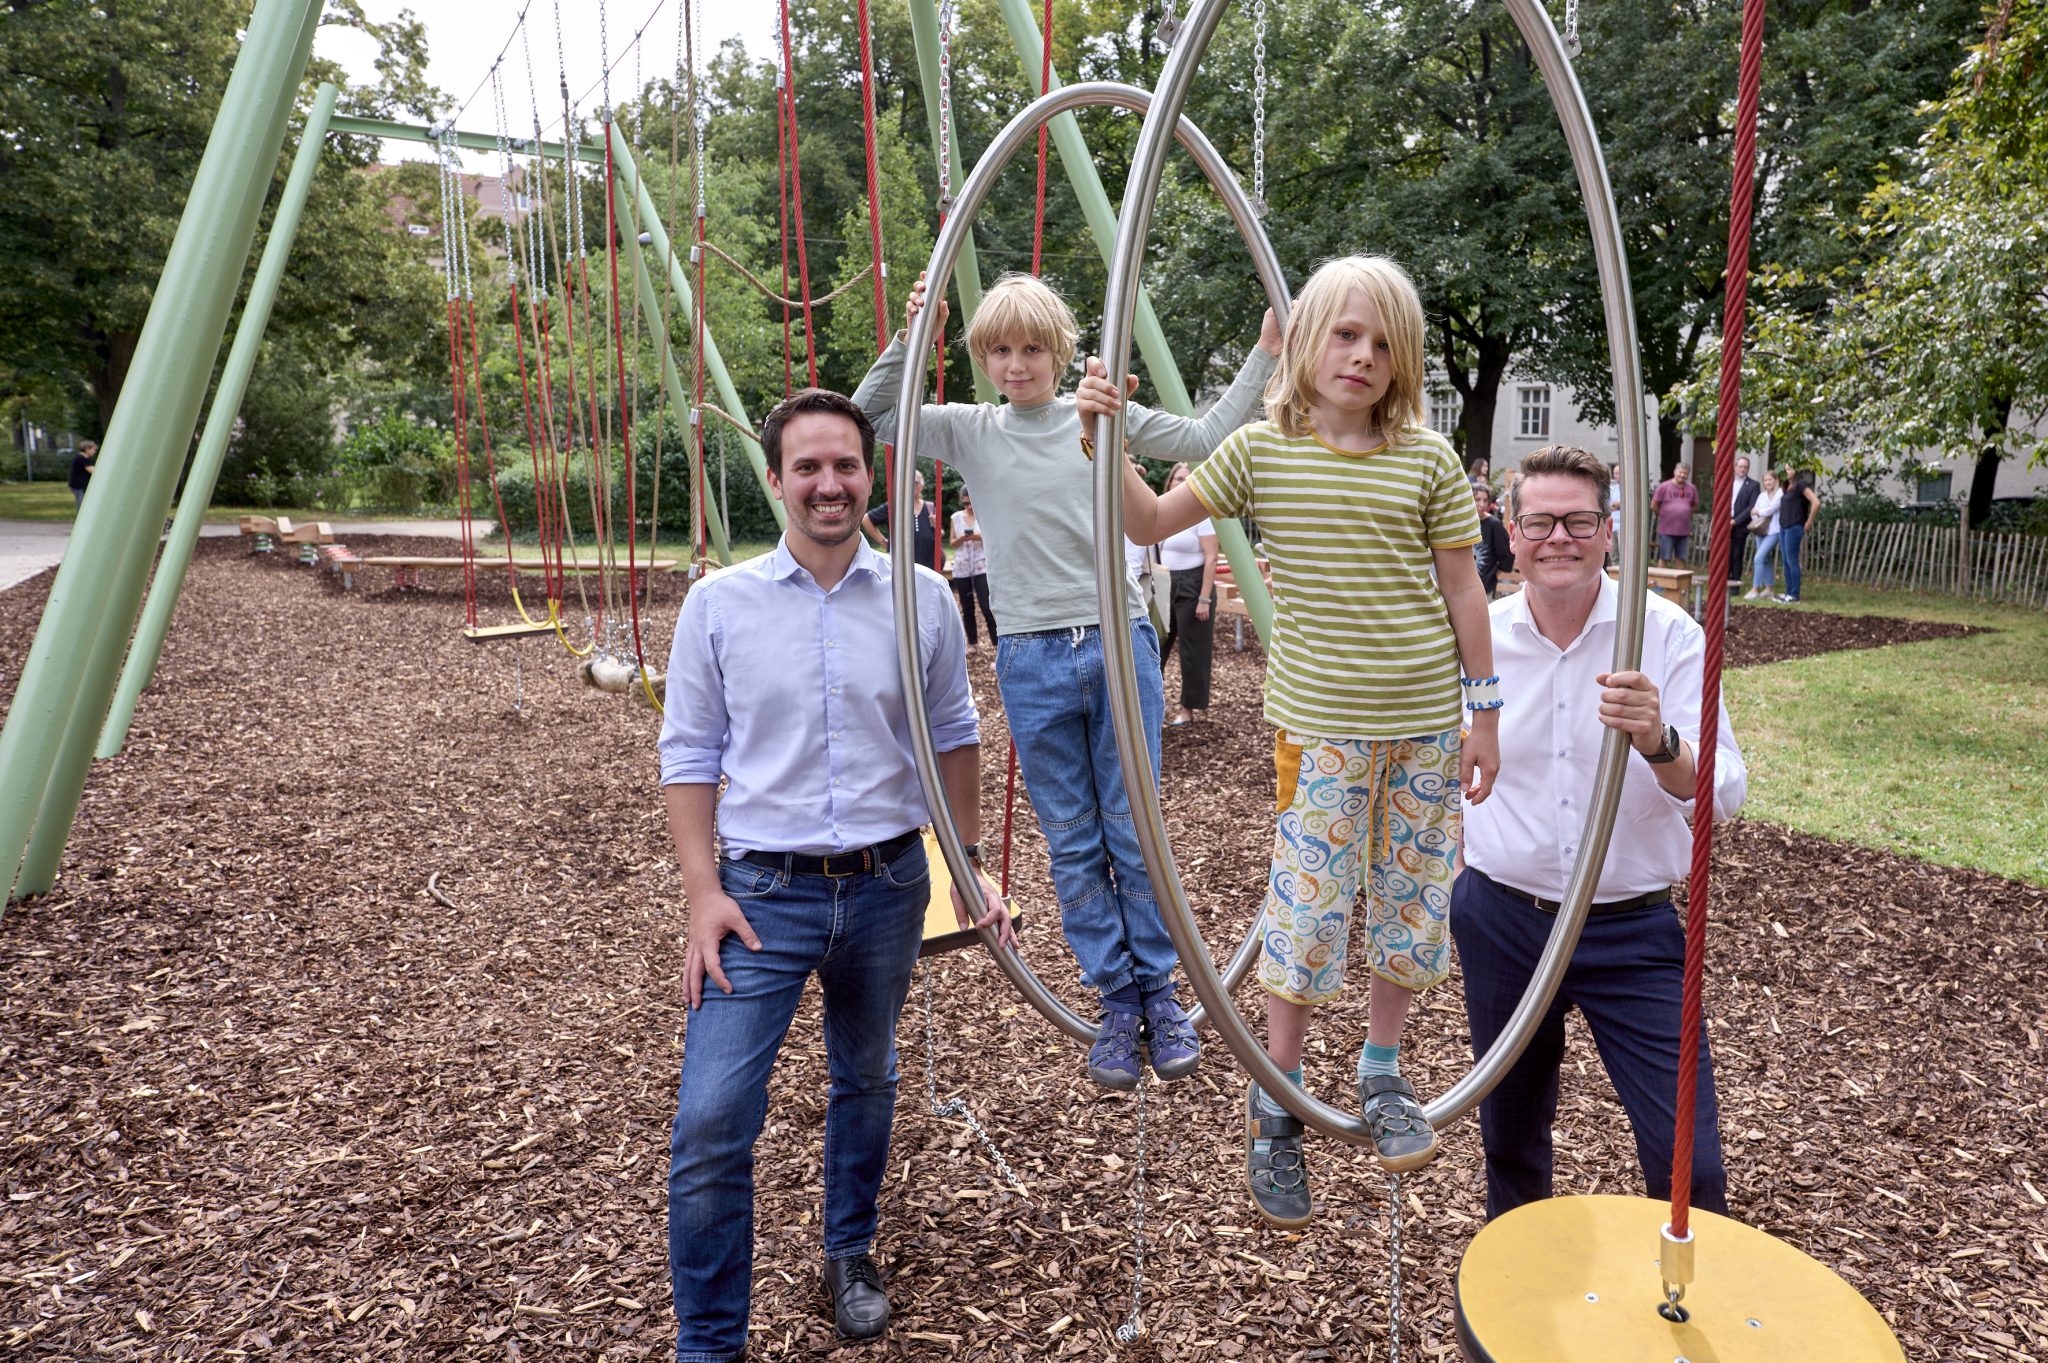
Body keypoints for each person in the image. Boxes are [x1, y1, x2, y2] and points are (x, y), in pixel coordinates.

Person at [1100, 253, 1500, 1215]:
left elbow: (1462, 589)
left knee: (1410, 901)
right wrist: (1101, 440)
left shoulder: (1429, 461)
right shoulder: (1260, 452)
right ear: (1307, 343)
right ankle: (1277, 1094)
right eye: (1343, 334)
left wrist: (1484, 708)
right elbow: (1151, 515)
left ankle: (1381, 1067)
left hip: (1423, 724)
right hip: (1321, 727)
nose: (1360, 356)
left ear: (1401, 360)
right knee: (1310, 905)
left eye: (1380, 342)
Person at [854, 271, 1281, 1091]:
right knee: (1075, 839)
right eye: (1001, 351)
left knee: (1134, 827)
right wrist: (915, 335)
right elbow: (873, 416)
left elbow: (1208, 437)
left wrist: (1264, 353)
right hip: (1031, 653)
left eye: (1032, 348)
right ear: (984, 359)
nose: (1018, 365)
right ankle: (1119, 996)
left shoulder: (1097, 409)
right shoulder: (973, 429)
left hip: (1116, 640)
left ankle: (1158, 983)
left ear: (1061, 350)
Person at [658, 389, 1014, 1359]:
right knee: (711, 1119)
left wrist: (966, 868)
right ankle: (709, 1341)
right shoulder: (718, 605)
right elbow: (687, 753)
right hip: (760, 894)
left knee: (866, 1073)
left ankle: (847, 1249)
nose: (828, 483)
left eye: (845, 465)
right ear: (774, 480)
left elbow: (953, 736)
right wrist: (701, 893)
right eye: (807, 467)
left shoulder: (923, 597)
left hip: (887, 884)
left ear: (872, 476)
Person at [1453, 442, 1744, 1222]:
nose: (1559, 538)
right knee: (1510, 1140)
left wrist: (1661, 740)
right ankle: (1522, 1316)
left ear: (1610, 529)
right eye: (1541, 521)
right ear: (1509, 532)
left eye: (1579, 521)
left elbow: (1724, 793)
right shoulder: (1478, 638)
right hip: (1505, 918)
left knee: (1689, 1158)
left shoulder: (1663, 634)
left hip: (1631, 928)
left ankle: (1687, 1308)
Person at [1156, 463, 1220, 727]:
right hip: (1164, 582)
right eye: (1178, 478)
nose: (1181, 482)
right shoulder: (1162, 512)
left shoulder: (1200, 516)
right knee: (1155, 646)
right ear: (1169, 482)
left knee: (1192, 651)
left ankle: (1188, 708)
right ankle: (1149, 703)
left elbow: (1211, 556)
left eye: (1188, 479)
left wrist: (1204, 597)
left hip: (1193, 585)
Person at [862, 468, 945, 573]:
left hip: (929, 564)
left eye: (915, 482)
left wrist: (937, 524)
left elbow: (940, 535)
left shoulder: (930, 507)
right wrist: (883, 542)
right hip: (902, 566)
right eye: (907, 480)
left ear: (921, 486)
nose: (910, 484)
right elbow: (866, 519)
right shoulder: (895, 505)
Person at [948, 486, 997, 649]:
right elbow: (952, 544)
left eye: (971, 503)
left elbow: (993, 539)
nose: (969, 507)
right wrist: (962, 538)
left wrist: (978, 537)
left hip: (981, 567)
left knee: (986, 606)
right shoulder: (955, 517)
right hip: (962, 568)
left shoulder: (984, 516)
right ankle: (973, 643)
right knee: (967, 608)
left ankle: (996, 643)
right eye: (966, 503)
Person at [1773, 467, 1820, 603]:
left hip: (1794, 526)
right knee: (1786, 561)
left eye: (1789, 469)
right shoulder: (1786, 486)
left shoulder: (1801, 485)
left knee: (1792, 561)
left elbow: (1816, 502)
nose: (1787, 471)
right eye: (1785, 469)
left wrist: (1809, 521)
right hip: (1784, 527)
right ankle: (1788, 592)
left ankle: (1794, 595)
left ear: (1795, 470)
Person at [1743, 470, 1783, 599]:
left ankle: (1755, 589)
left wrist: (1759, 511)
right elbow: (1752, 512)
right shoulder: (1762, 496)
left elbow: (1771, 509)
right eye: (1765, 480)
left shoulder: (1780, 494)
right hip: (1760, 531)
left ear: (1776, 480)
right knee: (1765, 559)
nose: (1768, 482)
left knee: (1758, 558)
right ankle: (1769, 588)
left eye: (1770, 480)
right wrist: (1758, 514)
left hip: (1774, 531)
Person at [1650, 462, 1698, 569]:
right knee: (1664, 557)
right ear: (1675, 472)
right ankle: (1660, 585)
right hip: (1666, 530)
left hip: (1684, 531)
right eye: (1680, 472)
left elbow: (1695, 506)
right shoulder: (1664, 487)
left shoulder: (1692, 488)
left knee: (1681, 558)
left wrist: (1685, 511)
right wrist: (1665, 513)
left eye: (1685, 473)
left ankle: (1678, 585)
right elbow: (1653, 505)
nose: (1682, 475)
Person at [1473, 480, 1515, 598]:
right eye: (1477, 499)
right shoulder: (1462, 523)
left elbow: (1507, 553)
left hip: (1485, 590)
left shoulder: (1493, 524)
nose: (1481, 504)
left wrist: (1492, 574)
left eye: (1485, 500)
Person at [1724, 455, 1759, 590]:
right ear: (1735, 467)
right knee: (1724, 555)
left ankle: (1734, 586)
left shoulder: (1753, 485)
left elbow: (1751, 506)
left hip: (1740, 525)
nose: (1743, 469)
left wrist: (1735, 521)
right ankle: (1723, 583)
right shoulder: (1728, 481)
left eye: (1745, 467)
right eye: (1740, 466)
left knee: (1736, 555)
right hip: (1725, 523)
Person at [68, 440, 98, 511]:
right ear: (87, 449)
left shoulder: (83, 458)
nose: (94, 451)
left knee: (84, 504)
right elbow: (92, 471)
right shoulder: (81, 458)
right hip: (79, 486)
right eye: (93, 449)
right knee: (82, 506)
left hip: (80, 485)